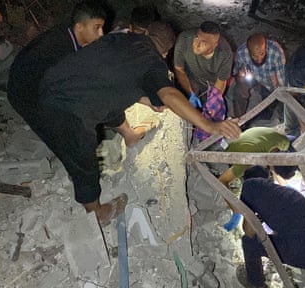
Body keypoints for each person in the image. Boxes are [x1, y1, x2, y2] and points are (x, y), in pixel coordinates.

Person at [36, 31, 240, 227]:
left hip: (50, 80)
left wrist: (147, 100)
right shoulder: (153, 61)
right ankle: (96, 211)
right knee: (83, 155)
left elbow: (119, 84)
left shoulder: (124, 39)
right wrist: (210, 124)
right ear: (166, 52)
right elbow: (169, 94)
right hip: (67, 105)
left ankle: (129, 134)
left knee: (110, 101)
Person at [7, 0, 108, 141]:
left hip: (34, 80)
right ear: (80, 27)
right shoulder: (61, 51)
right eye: (96, 28)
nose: (101, 34)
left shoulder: (70, 33)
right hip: (24, 93)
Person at [237, 165, 305, 287]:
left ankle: (256, 283)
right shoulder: (289, 193)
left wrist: (253, 217)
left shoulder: (249, 189)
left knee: (249, 243)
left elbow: (249, 233)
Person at [226, 33, 285, 123]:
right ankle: (239, 122)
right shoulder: (242, 52)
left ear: (265, 48)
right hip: (252, 79)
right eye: (254, 55)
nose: (259, 59)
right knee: (239, 89)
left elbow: (282, 81)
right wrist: (240, 75)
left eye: (262, 54)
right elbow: (235, 73)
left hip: (269, 83)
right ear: (248, 51)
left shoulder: (276, 52)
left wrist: (278, 93)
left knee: (267, 111)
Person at [173, 21, 233, 108]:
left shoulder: (224, 53)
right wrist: (191, 93)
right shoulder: (184, 39)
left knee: (210, 109)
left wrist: (213, 101)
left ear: (214, 45)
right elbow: (179, 69)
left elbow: (221, 81)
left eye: (204, 42)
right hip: (189, 77)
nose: (196, 44)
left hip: (211, 82)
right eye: (197, 38)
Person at [218, 127, 290, 188]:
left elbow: (275, 165)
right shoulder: (247, 160)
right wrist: (235, 204)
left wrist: (282, 182)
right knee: (248, 185)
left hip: (247, 139)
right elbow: (222, 181)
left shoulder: (284, 141)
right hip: (226, 149)